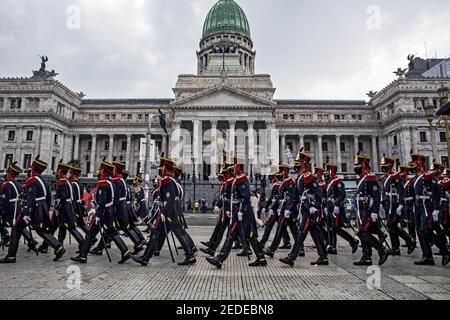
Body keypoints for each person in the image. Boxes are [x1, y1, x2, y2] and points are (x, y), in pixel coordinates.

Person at [131, 157, 196, 266]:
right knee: (155, 233)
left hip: (170, 212)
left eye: (162, 167)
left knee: (178, 233)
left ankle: (190, 256)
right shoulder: (169, 181)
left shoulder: (169, 181)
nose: (160, 169)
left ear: (165, 168)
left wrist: (164, 213)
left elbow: (170, 199)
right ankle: (145, 258)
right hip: (167, 211)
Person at [206, 158, 267, 268]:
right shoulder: (236, 180)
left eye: (232, 169)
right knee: (250, 236)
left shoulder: (242, 179)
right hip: (239, 211)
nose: (230, 171)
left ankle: (219, 259)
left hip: (243, 212)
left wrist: (240, 211)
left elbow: (245, 197)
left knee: (231, 235)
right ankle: (261, 257)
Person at [2, 156, 66, 263]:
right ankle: (57, 246)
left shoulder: (32, 180)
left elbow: (31, 197)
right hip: (42, 207)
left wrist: (27, 212)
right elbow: (49, 197)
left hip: (33, 208)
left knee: (17, 228)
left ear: (33, 168)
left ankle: (11, 255)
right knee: (39, 229)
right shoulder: (44, 181)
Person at [71, 159, 131, 264]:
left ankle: (83, 256)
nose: (100, 172)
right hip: (110, 211)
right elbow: (116, 199)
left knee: (92, 233)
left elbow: (102, 201)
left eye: (101, 170)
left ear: (104, 172)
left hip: (102, 213)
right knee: (109, 233)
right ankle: (125, 251)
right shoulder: (112, 183)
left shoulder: (103, 183)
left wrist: (99, 215)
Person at [279, 150, 328, 267]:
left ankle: (291, 258)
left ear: (304, 163)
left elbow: (319, 192)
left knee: (301, 232)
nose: (295, 166)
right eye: (295, 164)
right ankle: (323, 257)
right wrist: (289, 209)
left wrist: (315, 206)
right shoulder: (299, 178)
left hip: (308, 210)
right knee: (315, 233)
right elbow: (296, 197)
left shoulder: (308, 176)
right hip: (303, 209)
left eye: (298, 163)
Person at [410, 154, 449, 266]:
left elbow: (436, 191)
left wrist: (436, 209)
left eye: (414, 164)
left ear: (419, 165)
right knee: (420, 231)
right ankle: (427, 255)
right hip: (418, 207)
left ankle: (445, 251)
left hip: (427, 207)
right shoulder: (416, 178)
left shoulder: (427, 177)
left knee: (425, 230)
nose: (412, 166)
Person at [352, 154, 389, 266]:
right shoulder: (361, 179)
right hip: (362, 210)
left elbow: (376, 196)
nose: (356, 167)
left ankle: (382, 249)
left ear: (364, 166)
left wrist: (374, 212)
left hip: (368, 210)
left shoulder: (370, 178)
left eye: (358, 165)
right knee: (364, 232)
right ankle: (366, 256)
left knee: (362, 232)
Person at [380, 155, 415, 256]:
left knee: (390, 224)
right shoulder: (386, 177)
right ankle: (395, 248)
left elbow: (401, 190)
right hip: (388, 203)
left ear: (390, 165)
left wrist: (400, 204)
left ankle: (409, 240)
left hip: (394, 204)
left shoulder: (395, 176)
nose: (383, 167)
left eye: (385, 165)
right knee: (392, 226)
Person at [324, 162, 359, 255]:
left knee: (336, 228)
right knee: (330, 228)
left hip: (337, 209)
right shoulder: (330, 183)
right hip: (330, 208)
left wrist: (336, 204)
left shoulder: (338, 181)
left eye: (327, 171)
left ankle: (352, 241)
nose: (325, 174)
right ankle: (332, 246)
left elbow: (342, 194)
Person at [200, 165, 233, 256]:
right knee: (219, 229)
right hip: (225, 212)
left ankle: (255, 250)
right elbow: (223, 197)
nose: (220, 177)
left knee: (236, 234)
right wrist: (217, 205)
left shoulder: (231, 183)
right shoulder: (226, 184)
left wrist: (229, 209)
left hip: (229, 212)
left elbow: (232, 198)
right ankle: (211, 246)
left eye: (222, 175)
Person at [54, 161, 85, 249]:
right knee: (62, 226)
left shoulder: (63, 182)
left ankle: (83, 244)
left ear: (60, 171)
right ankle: (59, 246)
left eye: (58, 171)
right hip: (69, 206)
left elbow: (63, 196)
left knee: (71, 227)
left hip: (65, 208)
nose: (57, 172)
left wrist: (57, 207)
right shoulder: (68, 181)